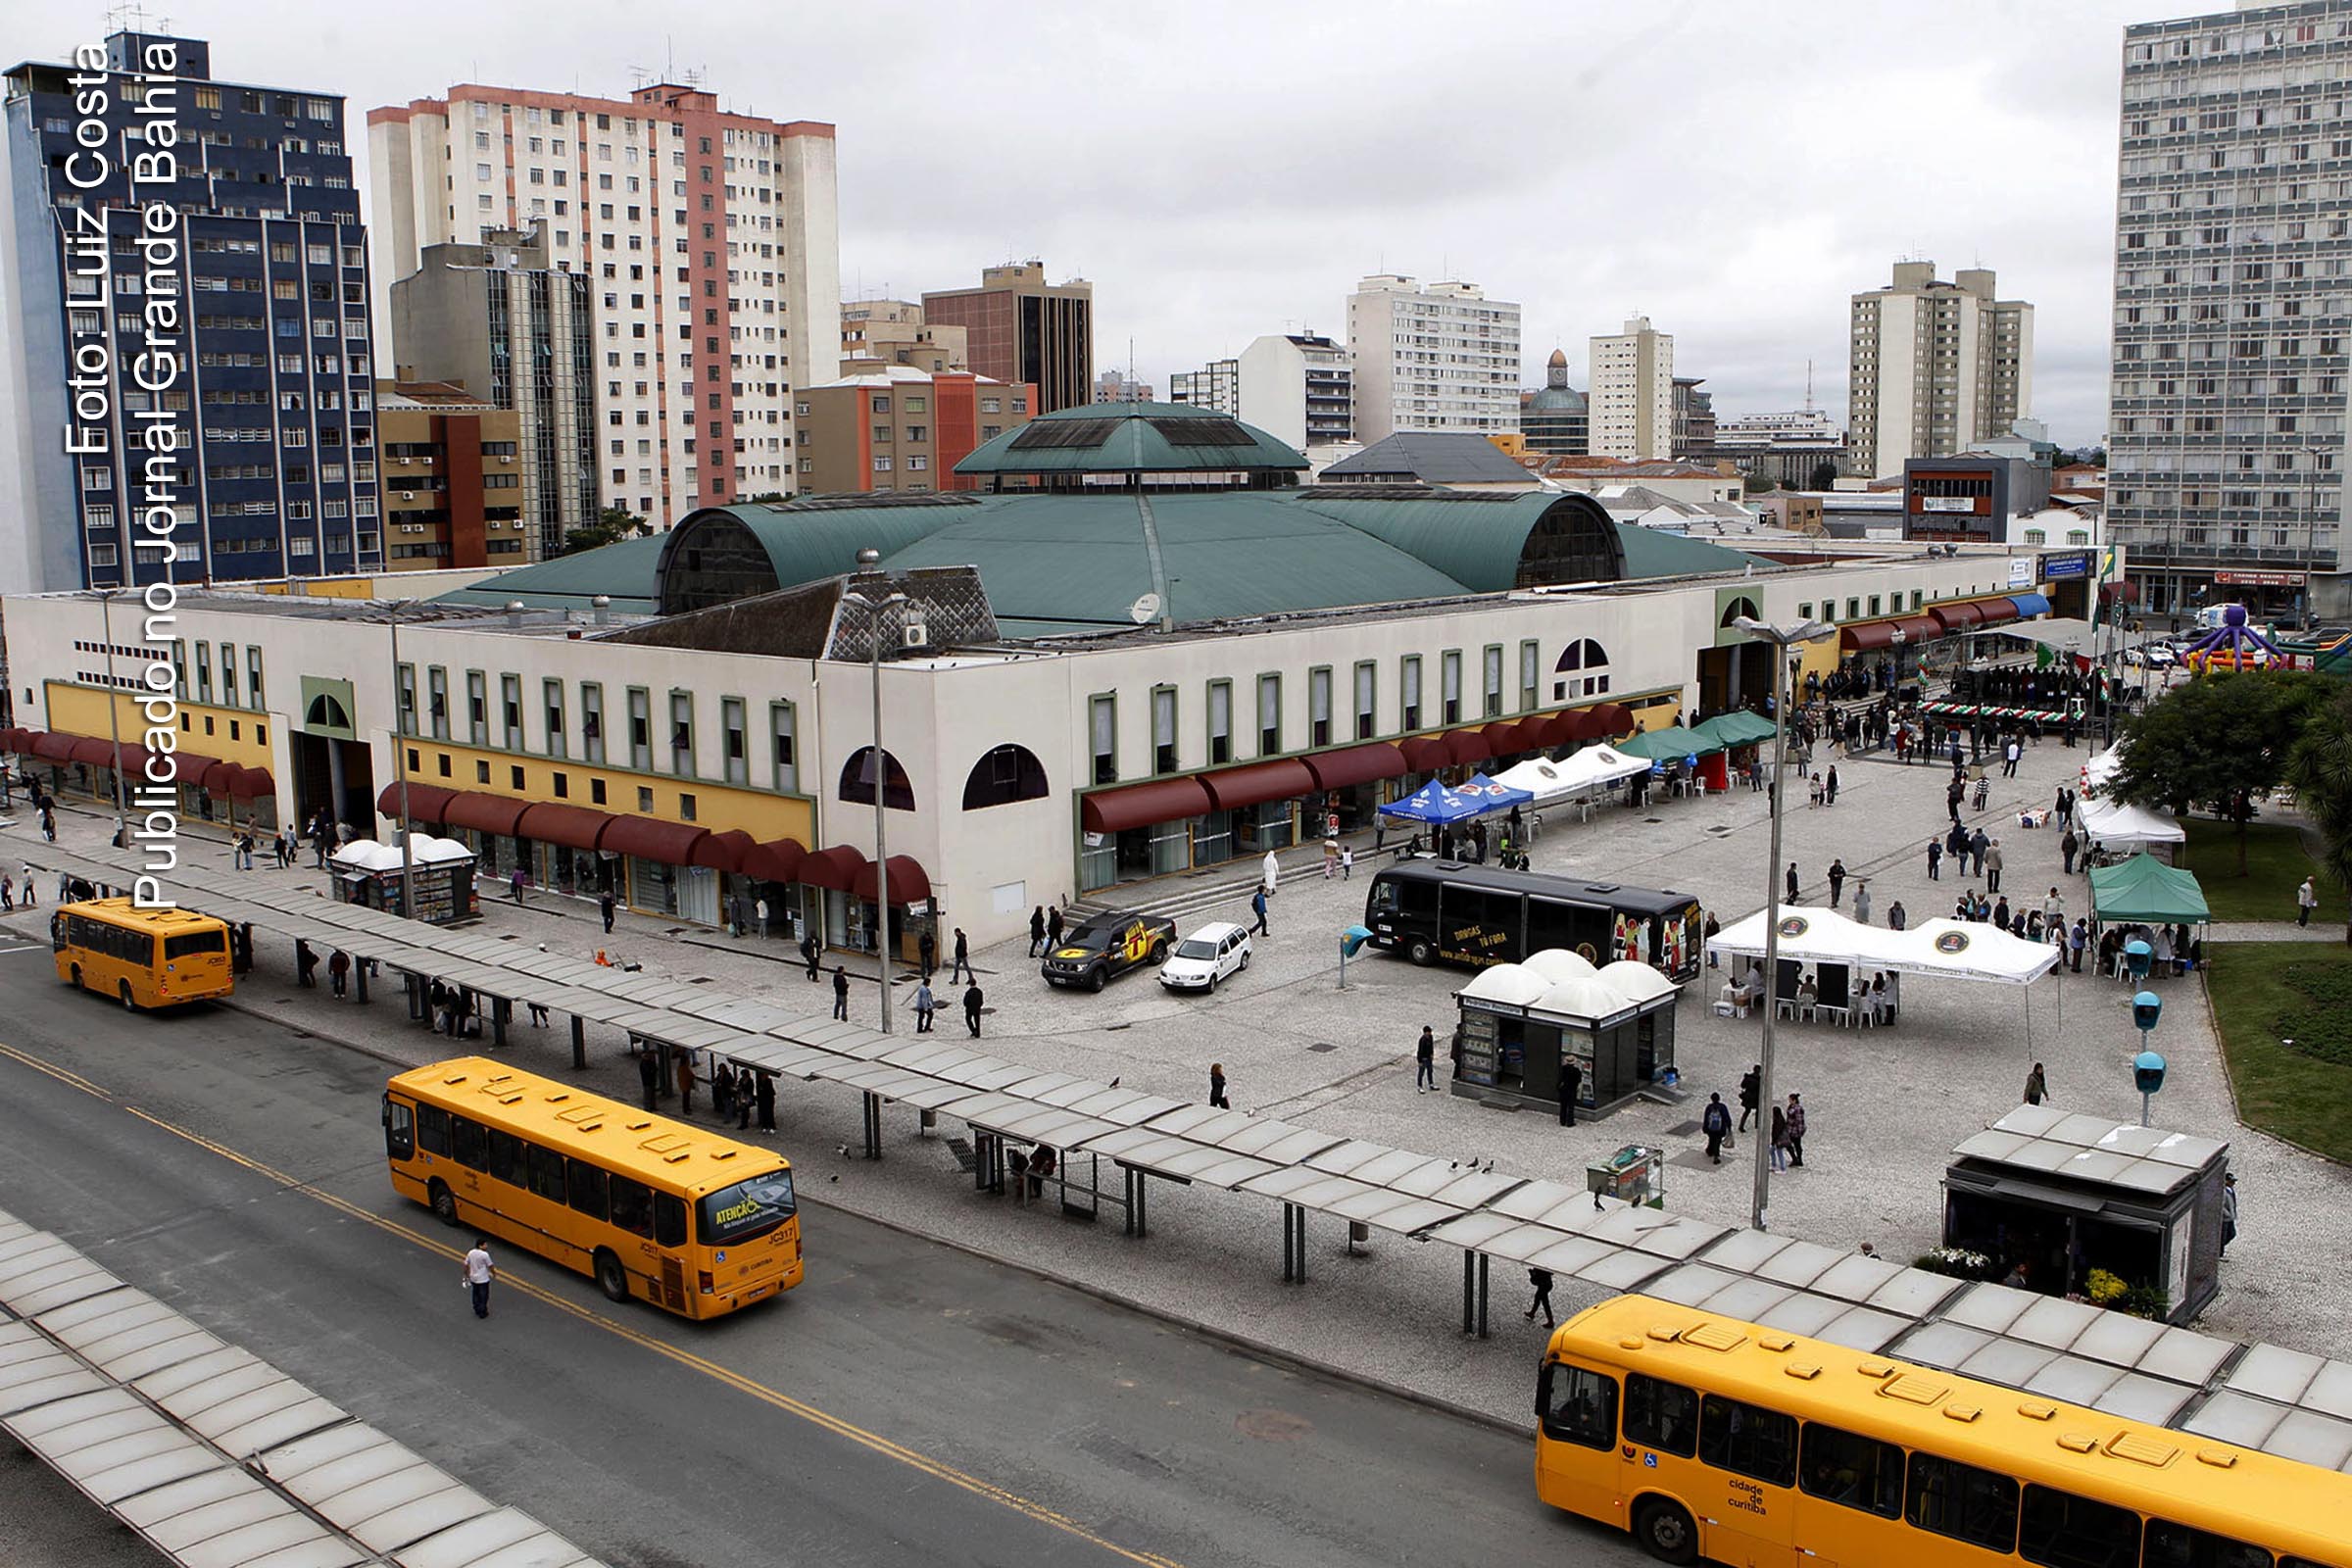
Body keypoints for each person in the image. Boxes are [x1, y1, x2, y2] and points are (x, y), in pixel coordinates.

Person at [462, 1240, 496, 1319]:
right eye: (485, 1245)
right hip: (483, 1278)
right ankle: (482, 1311)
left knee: (475, 1293)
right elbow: (490, 1265)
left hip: (473, 1277)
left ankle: (476, 1308)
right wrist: (494, 1273)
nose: (486, 1246)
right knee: (484, 1295)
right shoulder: (485, 1255)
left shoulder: (471, 1252)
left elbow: (466, 1264)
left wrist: (466, 1274)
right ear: (480, 1246)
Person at [1701, 1093, 1732, 1164]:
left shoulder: (1709, 1107)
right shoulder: (1722, 1107)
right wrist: (1729, 1126)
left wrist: (1705, 1127)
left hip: (1710, 1129)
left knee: (1712, 1139)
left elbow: (1706, 1118)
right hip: (1720, 1129)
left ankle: (1710, 1150)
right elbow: (1726, 1117)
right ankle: (1716, 1156)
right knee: (1717, 1142)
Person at [1558, 1056, 1582, 1127]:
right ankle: (1570, 1122)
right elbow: (1579, 1080)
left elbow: (1560, 1078)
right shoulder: (1576, 1071)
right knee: (1570, 1107)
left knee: (1563, 1106)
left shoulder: (1563, 1069)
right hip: (1572, 1090)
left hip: (1564, 1089)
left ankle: (1562, 1121)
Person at [1785, 1093, 1807, 1167]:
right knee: (1792, 1145)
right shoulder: (1791, 1107)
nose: (1789, 1101)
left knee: (1795, 1145)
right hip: (1790, 1130)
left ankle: (1797, 1159)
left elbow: (1799, 1121)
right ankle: (1796, 1159)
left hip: (1795, 1131)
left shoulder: (1797, 1109)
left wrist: (1800, 1131)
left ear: (1794, 1100)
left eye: (1790, 1100)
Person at [637, 1044, 661, 1110]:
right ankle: (647, 1107)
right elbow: (650, 1071)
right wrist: (653, 1070)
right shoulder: (644, 1063)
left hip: (651, 1080)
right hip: (647, 1081)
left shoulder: (649, 1062)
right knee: (647, 1094)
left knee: (652, 1094)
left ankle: (652, 1106)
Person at [1737, 1064, 1760, 1131]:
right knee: (1758, 1111)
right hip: (1756, 1098)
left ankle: (1741, 1126)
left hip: (1748, 1097)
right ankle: (1757, 1125)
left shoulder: (1748, 1077)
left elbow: (1742, 1086)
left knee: (1747, 1111)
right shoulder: (1760, 1080)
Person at [675, 1050, 698, 1116]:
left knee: (686, 1097)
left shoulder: (682, 1068)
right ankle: (686, 1109)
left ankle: (687, 1108)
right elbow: (688, 1076)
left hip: (684, 1085)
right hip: (685, 1085)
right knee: (686, 1097)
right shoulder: (684, 1069)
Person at [2222, 1170, 2238, 1256]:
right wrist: (2227, 1214)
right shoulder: (2224, 1192)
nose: (2233, 1183)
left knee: (2232, 1233)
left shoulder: (2230, 1190)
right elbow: (2222, 1206)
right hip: (2225, 1218)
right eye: (2231, 1181)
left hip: (2230, 1217)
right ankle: (2220, 1253)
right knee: (2224, 1235)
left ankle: (2220, 1249)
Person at [1769, 1102, 1789, 1172]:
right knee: (1771, 1151)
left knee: (1779, 1153)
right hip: (1777, 1140)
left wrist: (1773, 1141)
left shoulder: (1778, 1121)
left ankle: (1783, 1168)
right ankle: (1774, 1165)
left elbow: (1776, 1132)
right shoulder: (1780, 1119)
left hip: (1778, 1140)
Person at [1415, 1026, 1436, 1093]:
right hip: (1423, 1058)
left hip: (1429, 1058)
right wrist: (1419, 1061)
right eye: (1429, 1032)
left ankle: (1431, 1084)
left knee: (1430, 1071)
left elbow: (1431, 1046)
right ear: (1425, 1032)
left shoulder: (1430, 1037)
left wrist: (1432, 1054)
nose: (1430, 1033)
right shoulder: (1422, 1040)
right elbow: (1420, 1051)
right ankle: (1419, 1086)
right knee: (1421, 1073)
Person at [756, 1068, 777, 1133]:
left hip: (769, 1100)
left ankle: (772, 1126)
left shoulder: (769, 1081)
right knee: (763, 1113)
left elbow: (770, 1091)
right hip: (762, 1100)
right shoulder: (759, 1082)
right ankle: (764, 1126)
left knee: (770, 1113)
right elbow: (759, 1090)